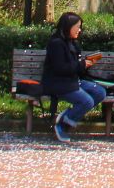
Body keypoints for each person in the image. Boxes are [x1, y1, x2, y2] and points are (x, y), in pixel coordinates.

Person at [42, 11, 105, 143]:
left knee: (100, 92)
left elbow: (75, 67)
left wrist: (86, 65)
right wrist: (81, 65)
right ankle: (63, 125)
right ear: (68, 27)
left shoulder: (72, 43)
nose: (79, 30)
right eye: (77, 27)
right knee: (87, 101)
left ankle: (66, 117)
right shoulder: (56, 43)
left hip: (72, 80)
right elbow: (60, 68)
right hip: (57, 83)